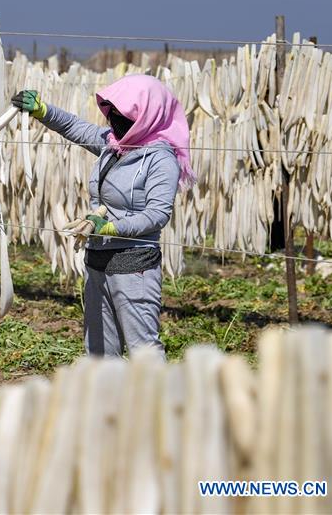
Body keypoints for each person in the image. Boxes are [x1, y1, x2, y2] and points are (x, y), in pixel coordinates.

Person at [11, 75, 194, 357]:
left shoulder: (160, 159)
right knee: (99, 350)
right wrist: (42, 111)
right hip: (97, 262)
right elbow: (74, 127)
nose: (114, 120)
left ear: (146, 117)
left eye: (122, 115)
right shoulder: (114, 145)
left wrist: (111, 227)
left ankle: (160, 401)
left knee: (143, 349)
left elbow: (157, 215)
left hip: (134, 268)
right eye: (111, 113)